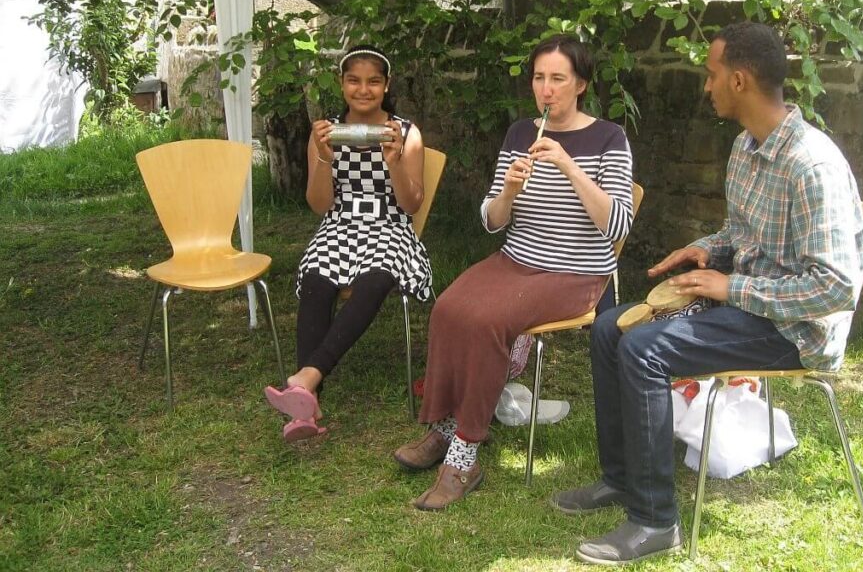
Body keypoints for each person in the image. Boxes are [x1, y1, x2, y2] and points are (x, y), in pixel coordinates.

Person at [552, 22, 863, 565]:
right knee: (610, 327)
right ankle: (622, 479)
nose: (706, 85)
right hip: (748, 304)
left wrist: (730, 285)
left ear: (740, 80)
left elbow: (835, 288)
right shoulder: (746, 147)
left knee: (646, 350)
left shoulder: (812, 165)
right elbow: (741, 236)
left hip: (797, 331)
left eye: (712, 73)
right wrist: (702, 250)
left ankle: (655, 522)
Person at [393, 34, 634, 510]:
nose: (546, 90)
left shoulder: (609, 138)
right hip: (516, 258)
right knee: (449, 308)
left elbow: (619, 224)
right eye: (539, 78)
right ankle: (443, 428)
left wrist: (568, 166)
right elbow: (491, 221)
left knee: (485, 321)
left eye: (558, 79)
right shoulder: (520, 133)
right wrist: (507, 191)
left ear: (580, 84)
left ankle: (464, 456)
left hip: (575, 272)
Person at [263, 45, 432, 442]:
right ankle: (307, 405)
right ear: (342, 84)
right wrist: (323, 157)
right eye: (354, 80)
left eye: (373, 81)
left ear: (386, 86)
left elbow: (412, 204)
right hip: (340, 225)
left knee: (376, 278)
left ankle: (308, 379)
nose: (363, 89)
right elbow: (320, 205)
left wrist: (392, 160)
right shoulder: (326, 131)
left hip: (390, 225)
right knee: (318, 278)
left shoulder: (405, 133)